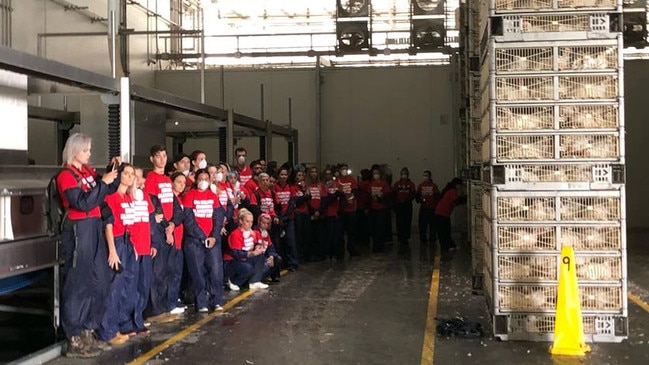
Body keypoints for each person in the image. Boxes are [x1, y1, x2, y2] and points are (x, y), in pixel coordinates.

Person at [56, 133, 120, 358]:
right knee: (78, 282)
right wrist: (103, 183)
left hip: (94, 226)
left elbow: (107, 190)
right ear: (75, 151)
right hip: (78, 228)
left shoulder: (88, 172)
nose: (89, 153)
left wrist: (114, 171)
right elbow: (82, 203)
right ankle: (74, 335)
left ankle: (88, 329)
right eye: (86, 150)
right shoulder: (66, 176)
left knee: (100, 279)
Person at [97, 163, 138, 347]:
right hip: (118, 242)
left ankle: (119, 325)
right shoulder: (111, 198)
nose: (129, 177)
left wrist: (134, 245)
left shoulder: (128, 198)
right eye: (126, 173)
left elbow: (131, 223)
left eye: (132, 174)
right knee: (114, 287)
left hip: (128, 242)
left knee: (125, 287)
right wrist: (113, 250)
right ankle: (108, 331)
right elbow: (109, 225)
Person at [143, 145, 182, 323]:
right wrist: (166, 228)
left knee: (167, 271)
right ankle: (154, 311)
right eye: (158, 156)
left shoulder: (167, 179)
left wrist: (173, 224)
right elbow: (154, 206)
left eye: (164, 156)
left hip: (169, 229)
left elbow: (173, 204)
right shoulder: (151, 179)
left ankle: (164, 306)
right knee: (157, 273)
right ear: (152, 159)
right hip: (159, 230)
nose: (162, 159)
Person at [119, 167, 159, 336]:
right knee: (129, 287)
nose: (140, 180)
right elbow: (127, 225)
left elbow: (151, 223)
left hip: (145, 248)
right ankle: (125, 322)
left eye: (140, 177)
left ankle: (138, 319)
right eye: (136, 177)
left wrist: (154, 243)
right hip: (133, 248)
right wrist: (132, 245)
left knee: (143, 285)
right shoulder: (127, 198)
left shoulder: (146, 198)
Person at [181, 169, 226, 312]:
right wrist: (202, 236)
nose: (204, 181)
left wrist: (213, 236)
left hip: (212, 240)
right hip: (194, 241)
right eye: (201, 178)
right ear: (196, 180)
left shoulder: (213, 196)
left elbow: (218, 217)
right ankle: (201, 303)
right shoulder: (189, 196)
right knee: (197, 272)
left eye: (206, 178)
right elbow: (188, 219)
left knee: (216, 271)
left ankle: (216, 300)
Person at [224, 209, 269, 290]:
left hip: (245, 259)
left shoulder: (252, 233)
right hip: (233, 261)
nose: (250, 224)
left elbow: (256, 245)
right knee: (248, 268)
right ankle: (234, 281)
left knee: (263, 262)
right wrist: (253, 253)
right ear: (241, 221)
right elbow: (236, 253)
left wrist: (258, 247)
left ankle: (254, 281)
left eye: (251, 222)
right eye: (247, 221)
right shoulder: (235, 234)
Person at [273, 166, 299, 271]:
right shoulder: (274, 187)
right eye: (281, 174)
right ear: (278, 176)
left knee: (290, 241)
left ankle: (293, 263)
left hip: (289, 218)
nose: (283, 177)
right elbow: (274, 204)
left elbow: (292, 203)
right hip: (278, 219)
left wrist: (286, 218)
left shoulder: (291, 188)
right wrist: (279, 218)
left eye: (285, 175)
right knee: (278, 243)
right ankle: (280, 264)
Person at [434, 178, 467, 252]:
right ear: (457, 185)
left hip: (442, 213)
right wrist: (467, 198)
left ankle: (449, 245)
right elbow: (456, 201)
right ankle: (445, 247)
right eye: (460, 185)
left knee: (446, 230)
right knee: (444, 231)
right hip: (442, 214)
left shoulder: (449, 190)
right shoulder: (452, 191)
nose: (460, 187)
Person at [337, 163, 360, 257]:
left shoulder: (352, 180)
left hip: (351, 209)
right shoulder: (337, 181)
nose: (344, 170)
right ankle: (340, 251)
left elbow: (355, 191)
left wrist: (351, 198)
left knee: (351, 232)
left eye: (346, 169)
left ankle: (352, 249)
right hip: (341, 210)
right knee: (340, 232)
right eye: (343, 169)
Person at [321, 167, 344, 261]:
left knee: (337, 235)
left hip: (337, 212)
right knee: (328, 235)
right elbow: (326, 199)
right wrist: (335, 193)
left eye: (330, 173)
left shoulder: (337, 184)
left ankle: (337, 254)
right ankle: (328, 253)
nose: (328, 176)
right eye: (326, 174)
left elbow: (342, 197)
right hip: (327, 213)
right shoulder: (322, 186)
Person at [367, 168, 391, 253]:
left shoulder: (384, 184)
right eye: (374, 173)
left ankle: (380, 246)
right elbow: (368, 196)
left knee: (380, 228)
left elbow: (388, 197)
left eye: (377, 173)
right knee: (374, 227)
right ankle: (375, 245)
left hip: (382, 209)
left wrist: (379, 199)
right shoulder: (371, 184)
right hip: (373, 209)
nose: (375, 175)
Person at [393, 167, 416, 251]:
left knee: (407, 221)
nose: (404, 175)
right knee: (399, 222)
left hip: (407, 205)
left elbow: (413, 194)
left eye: (405, 174)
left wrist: (406, 200)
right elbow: (394, 194)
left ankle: (405, 238)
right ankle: (400, 237)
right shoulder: (397, 184)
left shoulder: (411, 184)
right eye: (403, 173)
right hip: (399, 205)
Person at [256, 213, 283, 283]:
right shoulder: (254, 232)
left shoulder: (266, 233)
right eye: (263, 223)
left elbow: (271, 247)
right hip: (257, 258)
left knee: (277, 258)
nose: (265, 225)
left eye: (267, 223)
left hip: (265, 256)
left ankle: (273, 276)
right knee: (266, 264)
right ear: (259, 222)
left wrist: (271, 256)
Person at [417, 170, 440, 244]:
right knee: (422, 225)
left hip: (432, 208)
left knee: (432, 226)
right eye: (424, 175)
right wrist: (421, 198)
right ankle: (423, 239)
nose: (425, 177)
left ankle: (432, 239)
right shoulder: (420, 186)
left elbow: (437, 197)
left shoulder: (434, 186)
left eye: (426, 175)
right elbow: (418, 198)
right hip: (424, 208)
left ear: (429, 176)